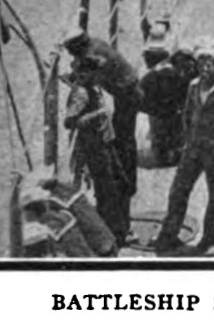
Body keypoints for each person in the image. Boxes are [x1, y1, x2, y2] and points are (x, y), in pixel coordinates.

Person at [151, 39, 214, 255]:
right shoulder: (193, 86)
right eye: (201, 62)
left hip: (213, 151)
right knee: (178, 191)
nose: (205, 67)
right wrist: (186, 138)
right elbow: (187, 113)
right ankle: (169, 235)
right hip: (192, 148)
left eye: (210, 62)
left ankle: (210, 236)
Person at [62, 27, 142, 227]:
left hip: (127, 93)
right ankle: (125, 188)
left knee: (125, 145)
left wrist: (76, 82)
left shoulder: (93, 57)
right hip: (126, 89)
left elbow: (93, 70)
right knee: (123, 145)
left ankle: (127, 186)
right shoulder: (95, 45)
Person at [63, 60, 132, 246]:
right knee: (108, 191)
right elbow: (69, 122)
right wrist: (97, 113)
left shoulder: (94, 87)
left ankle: (117, 228)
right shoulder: (83, 93)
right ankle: (114, 234)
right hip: (95, 148)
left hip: (107, 142)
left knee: (121, 184)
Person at [139, 27, 191, 167]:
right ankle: (175, 151)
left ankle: (163, 152)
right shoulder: (176, 70)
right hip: (173, 108)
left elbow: (141, 96)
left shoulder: (150, 76)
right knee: (174, 131)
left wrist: (152, 109)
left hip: (160, 110)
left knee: (160, 132)